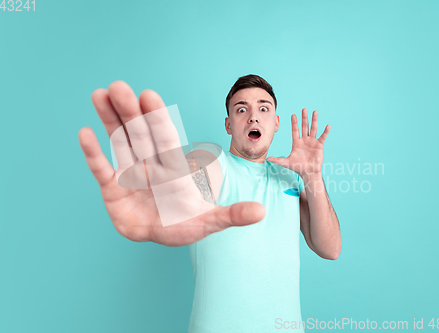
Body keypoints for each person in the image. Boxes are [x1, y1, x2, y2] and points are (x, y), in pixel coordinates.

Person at [78, 74, 341, 333]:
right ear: (229, 125)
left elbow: (330, 249)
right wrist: (170, 196)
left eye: (263, 108)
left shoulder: (292, 176)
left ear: (276, 123)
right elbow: (197, 177)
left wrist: (312, 176)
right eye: (241, 110)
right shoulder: (213, 160)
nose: (253, 116)